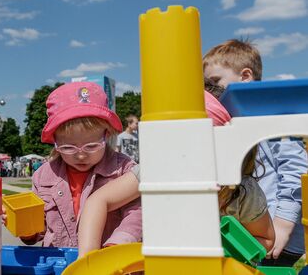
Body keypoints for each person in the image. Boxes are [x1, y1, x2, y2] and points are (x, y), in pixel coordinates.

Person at [77, 91, 274, 257]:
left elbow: (265, 239)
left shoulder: (242, 192)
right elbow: (99, 200)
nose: (185, 157)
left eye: (196, 146)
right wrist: (88, 259)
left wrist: (222, 254)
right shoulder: (158, 169)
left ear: (220, 147)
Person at [203, 39, 308, 267]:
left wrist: (283, 224)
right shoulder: (233, 122)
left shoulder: (270, 119)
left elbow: (295, 171)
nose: (211, 89)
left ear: (246, 76)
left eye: (215, 81)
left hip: (279, 237)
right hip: (252, 233)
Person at [22, 82, 142, 248]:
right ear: (55, 141)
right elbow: (38, 228)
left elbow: (137, 212)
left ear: (106, 135)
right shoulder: (43, 176)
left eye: (91, 146)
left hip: (107, 265)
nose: (80, 154)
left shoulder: (123, 169)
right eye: (68, 147)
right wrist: (25, 227)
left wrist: (119, 242)